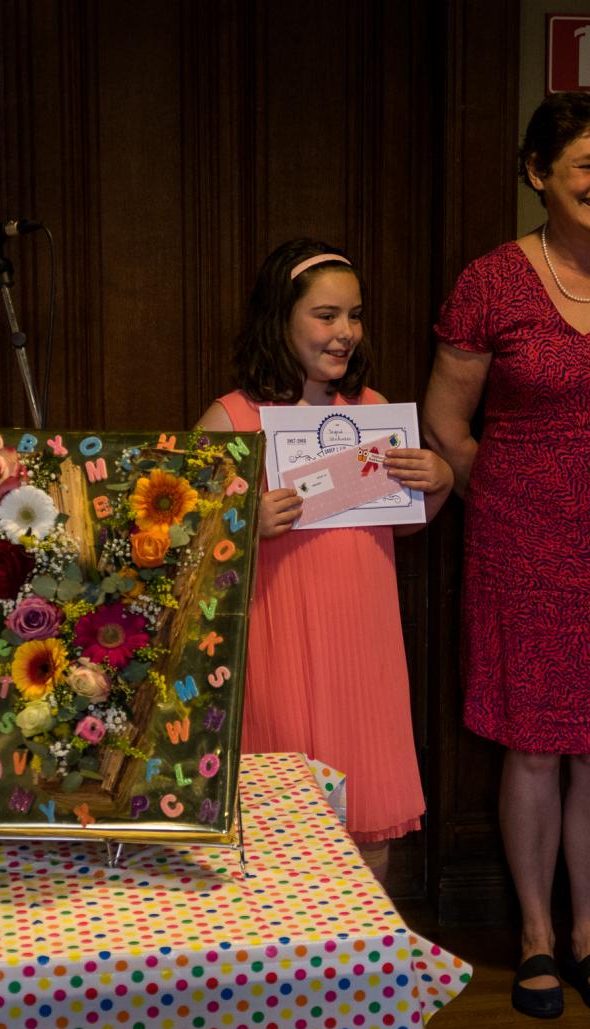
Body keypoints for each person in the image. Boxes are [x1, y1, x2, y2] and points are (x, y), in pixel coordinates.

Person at [424, 93, 590, 1019]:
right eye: (586, 165)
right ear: (539, 173)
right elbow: (447, 423)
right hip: (521, 542)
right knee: (534, 747)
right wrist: (517, 491)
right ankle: (537, 934)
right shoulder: (491, 281)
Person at [195, 237, 451, 885]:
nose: (345, 333)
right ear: (279, 318)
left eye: (355, 316)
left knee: (366, 826)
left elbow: (404, 519)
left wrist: (439, 480)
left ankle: (366, 952)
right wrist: (241, 523)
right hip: (276, 651)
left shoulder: (373, 412)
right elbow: (177, 547)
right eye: (326, 315)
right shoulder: (231, 420)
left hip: (362, 654)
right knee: (277, 833)